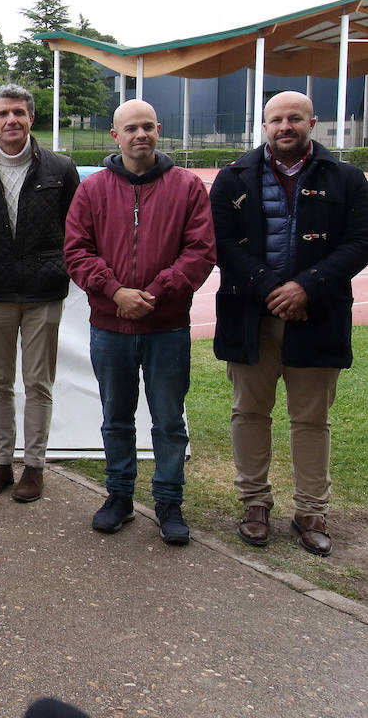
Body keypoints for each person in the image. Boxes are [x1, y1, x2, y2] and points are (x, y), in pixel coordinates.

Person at [210, 91, 368, 556]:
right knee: (249, 412)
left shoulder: (347, 178)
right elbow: (222, 243)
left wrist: (306, 287)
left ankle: (310, 510)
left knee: (311, 418)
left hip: (318, 315)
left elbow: (359, 243)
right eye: (276, 119)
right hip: (249, 315)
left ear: (312, 123)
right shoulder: (232, 178)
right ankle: (255, 503)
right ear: (263, 126)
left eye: (294, 118)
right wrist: (271, 289)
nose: (285, 126)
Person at [63, 99, 215, 545]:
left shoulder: (186, 187)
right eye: (131, 128)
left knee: (168, 420)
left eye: (147, 126)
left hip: (166, 327)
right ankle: (119, 497)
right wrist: (115, 291)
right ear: (116, 135)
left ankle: (168, 501)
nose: (140, 135)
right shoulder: (91, 191)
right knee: (116, 418)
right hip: (110, 327)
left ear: (158, 129)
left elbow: (201, 251)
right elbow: (76, 250)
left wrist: (157, 292)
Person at [0, 84, 80, 503]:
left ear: (31, 118)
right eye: (2, 113)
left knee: (38, 382)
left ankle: (34, 466)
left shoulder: (61, 169)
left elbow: (76, 227)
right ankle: (0, 463)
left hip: (45, 290)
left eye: (19, 112)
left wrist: (59, 265)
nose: (11, 120)